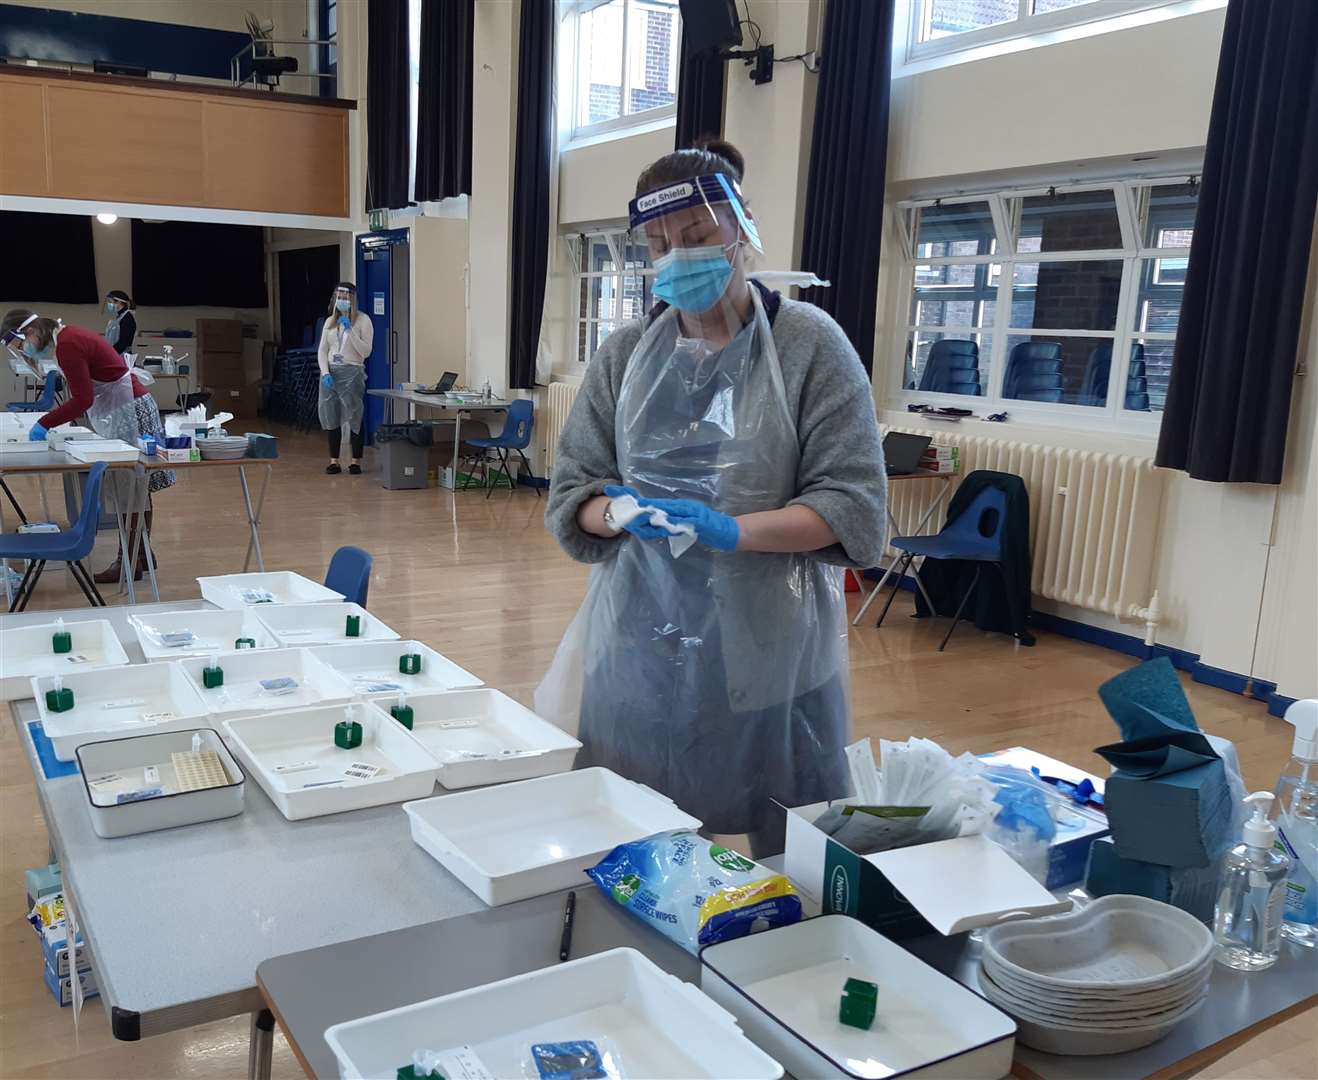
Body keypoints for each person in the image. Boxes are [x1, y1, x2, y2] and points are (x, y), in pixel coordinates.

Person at [540, 138, 889, 857]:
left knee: (778, 844)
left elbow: (854, 507)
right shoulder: (627, 355)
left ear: (741, 226)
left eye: (697, 236)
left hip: (769, 651)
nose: (679, 258)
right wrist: (617, 513)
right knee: (629, 834)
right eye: (660, 245)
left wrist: (732, 531)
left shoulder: (808, 347)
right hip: (637, 642)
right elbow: (571, 489)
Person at [1, 309, 174, 583]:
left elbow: (83, 400)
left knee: (130, 485)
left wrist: (45, 423)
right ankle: (140, 556)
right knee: (131, 487)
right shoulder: (66, 337)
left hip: (131, 410)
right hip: (126, 406)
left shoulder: (68, 344)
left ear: (31, 332)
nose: (26, 350)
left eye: (22, 345)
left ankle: (128, 562)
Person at [318, 281, 374, 475]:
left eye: (345, 298)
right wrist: (325, 372)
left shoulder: (363, 320)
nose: (342, 301)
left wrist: (350, 331)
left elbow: (365, 351)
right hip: (331, 372)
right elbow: (323, 351)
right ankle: (334, 460)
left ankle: (355, 461)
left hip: (352, 371)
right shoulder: (329, 322)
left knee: (354, 416)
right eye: (339, 297)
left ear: (352, 299)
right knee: (331, 414)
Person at [103, 290, 136, 356]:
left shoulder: (127, 318)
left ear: (118, 302)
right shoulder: (119, 317)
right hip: (116, 355)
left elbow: (123, 343)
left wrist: (109, 353)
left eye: (110, 301)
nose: (109, 304)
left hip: (122, 357)